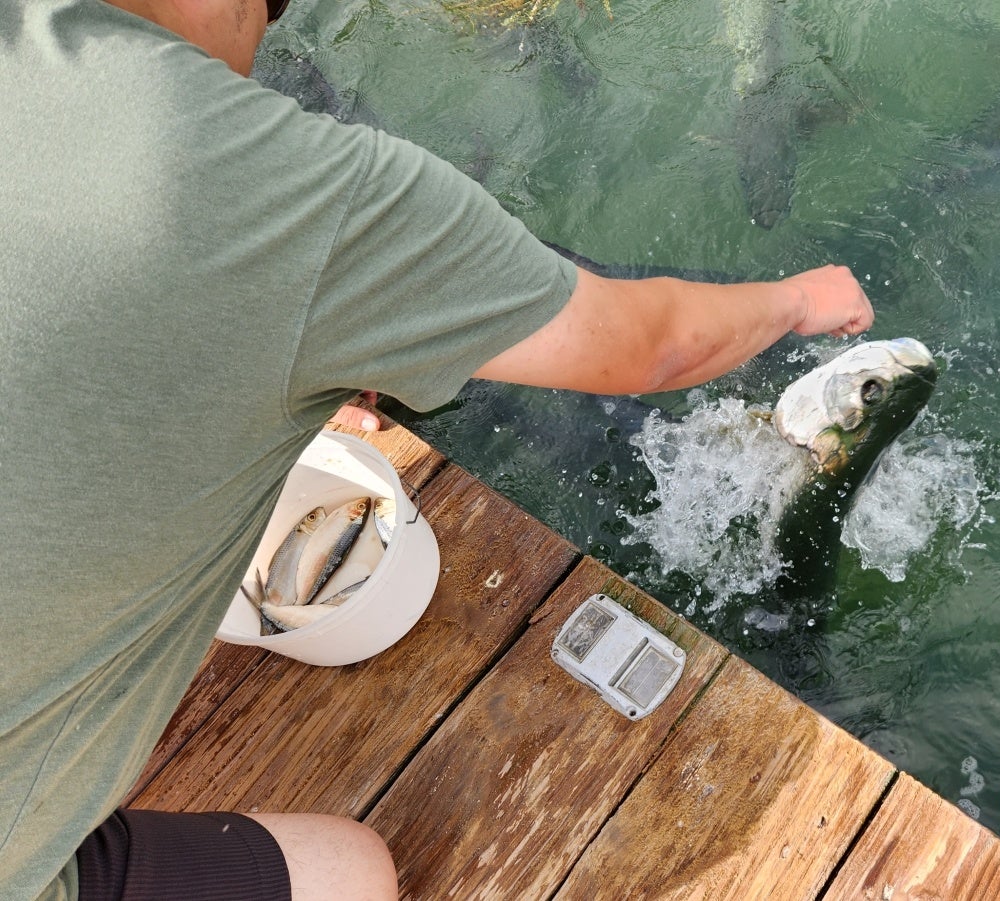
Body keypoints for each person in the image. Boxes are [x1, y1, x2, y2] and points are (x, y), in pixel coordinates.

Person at [0, 0, 873, 899]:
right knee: (355, 871)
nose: (265, 38)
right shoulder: (289, 183)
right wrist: (801, 301)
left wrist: (283, 357)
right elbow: (651, 347)